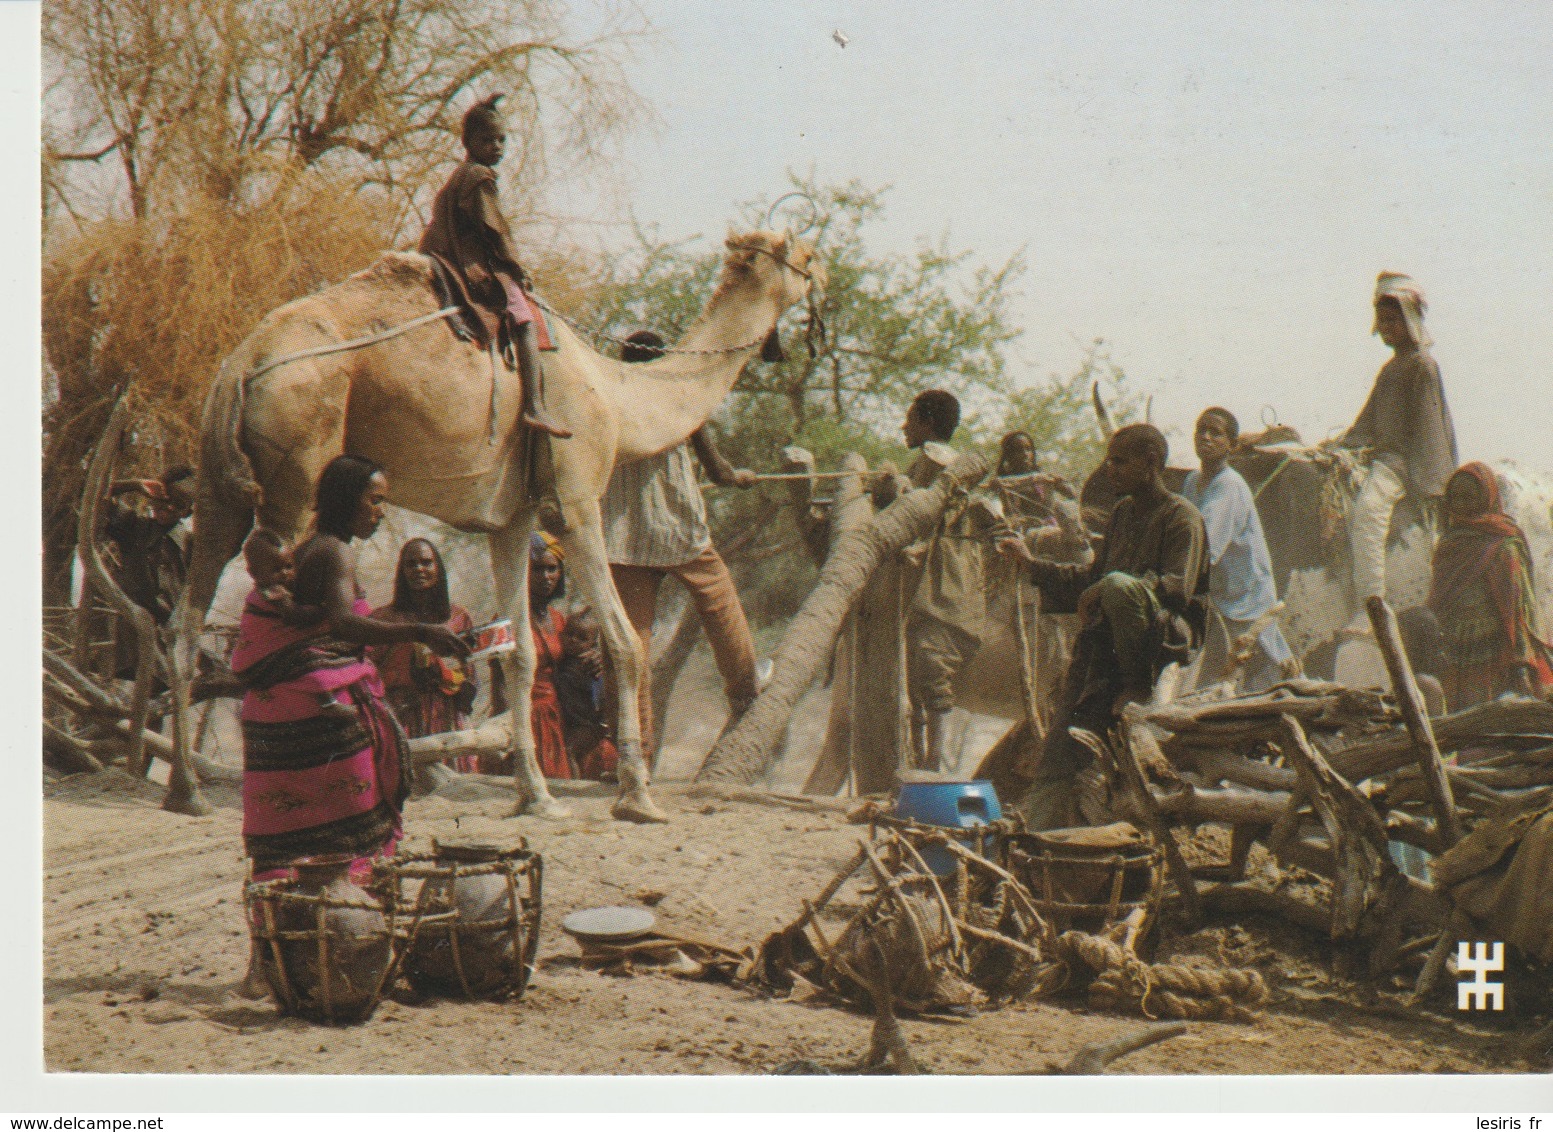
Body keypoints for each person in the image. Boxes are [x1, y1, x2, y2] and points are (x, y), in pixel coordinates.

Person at [231, 455, 467, 880]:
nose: (380, 512)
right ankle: (353, 900)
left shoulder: (308, 548)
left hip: (278, 705)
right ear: (347, 500)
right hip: (312, 701)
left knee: (293, 832)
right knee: (351, 824)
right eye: (374, 501)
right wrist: (420, 631)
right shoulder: (335, 551)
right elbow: (341, 622)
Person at [999, 424, 1209, 830]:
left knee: (1116, 586)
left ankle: (1134, 684)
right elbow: (1090, 578)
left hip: (1161, 641)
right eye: (1108, 460)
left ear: (1151, 463)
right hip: (1105, 644)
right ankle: (1040, 840)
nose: (1109, 469)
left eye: (1119, 461)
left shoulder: (1183, 517)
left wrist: (1107, 589)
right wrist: (1030, 563)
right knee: (1059, 748)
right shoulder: (1122, 514)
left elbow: (1177, 588)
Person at [601, 329, 760, 766]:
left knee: (629, 643)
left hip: (623, 535)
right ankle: (745, 691)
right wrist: (740, 478)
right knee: (720, 603)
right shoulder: (682, 398)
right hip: (676, 526)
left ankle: (635, 750)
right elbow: (720, 470)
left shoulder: (605, 400)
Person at [418, 93, 570, 438]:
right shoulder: (480, 177)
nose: (497, 147)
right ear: (467, 141)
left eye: (502, 140)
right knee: (524, 317)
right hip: (470, 264)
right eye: (488, 140)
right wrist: (518, 269)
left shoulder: (459, 176)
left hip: (444, 257)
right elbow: (497, 230)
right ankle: (534, 406)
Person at [1338, 272, 1457, 632]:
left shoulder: (1422, 366)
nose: (1386, 327)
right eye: (1382, 320)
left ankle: (1371, 604)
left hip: (1403, 464)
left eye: (1393, 319)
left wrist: (1431, 482)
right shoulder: (1389, 369)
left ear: (1410, 320)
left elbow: (1429, 429)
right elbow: (1367, 422)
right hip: (1381, 458)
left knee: (1369, 510)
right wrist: (1341, 446)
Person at [899, 389, 1001, 768]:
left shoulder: (945, 468)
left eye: (910, 418)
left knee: (931, 662)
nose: (904, 426)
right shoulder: (921, 467)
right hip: (925, 578)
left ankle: (936, 757)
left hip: (945, 579)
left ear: (926, 423)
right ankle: (920, 756)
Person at [1181, 407, 1296, 692]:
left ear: (1231, 446)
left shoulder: (1229, 486)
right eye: (1201, 429)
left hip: (1244, 593)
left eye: (1215, 432)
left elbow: (1204, 550)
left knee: (1259, 669)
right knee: (1220, 671)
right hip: (1220, 592)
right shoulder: (1192, 482)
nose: (1205, 437)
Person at [1427, 462, 1553, 708]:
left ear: (1487, 497)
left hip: (1494, 650)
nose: (1461, 504)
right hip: (1455, 648)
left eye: (1470, 497)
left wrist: (1522, 663)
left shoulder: (1504, 545)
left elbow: (1518, 610)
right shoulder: (1448, 543)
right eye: (1455, 498)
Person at [103, 465, 197, 675]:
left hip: (171, 638)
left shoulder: (192, 544)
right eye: (161, 502)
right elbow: (95, 497)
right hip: (134, 641)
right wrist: (134, 485)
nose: (167, 509)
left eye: (178, 504)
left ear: (188, 509)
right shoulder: (134, 528)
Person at [527, 531, 576, 780]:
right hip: (528, 715)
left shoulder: (558, 619)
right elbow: (501, 682)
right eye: (536, 569)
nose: (545, 577)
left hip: (557, 714)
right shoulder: (509, 619)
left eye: (551, 569)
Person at [554, 608, 620, 781]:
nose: (573, 640)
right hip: (570, 721)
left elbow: (603, 698)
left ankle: (575, 787)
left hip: (589, 724)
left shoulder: (591, 665)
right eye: (569, 634)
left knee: (570, 750)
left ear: (593, 644)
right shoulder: (561, 659)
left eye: (582, 638)